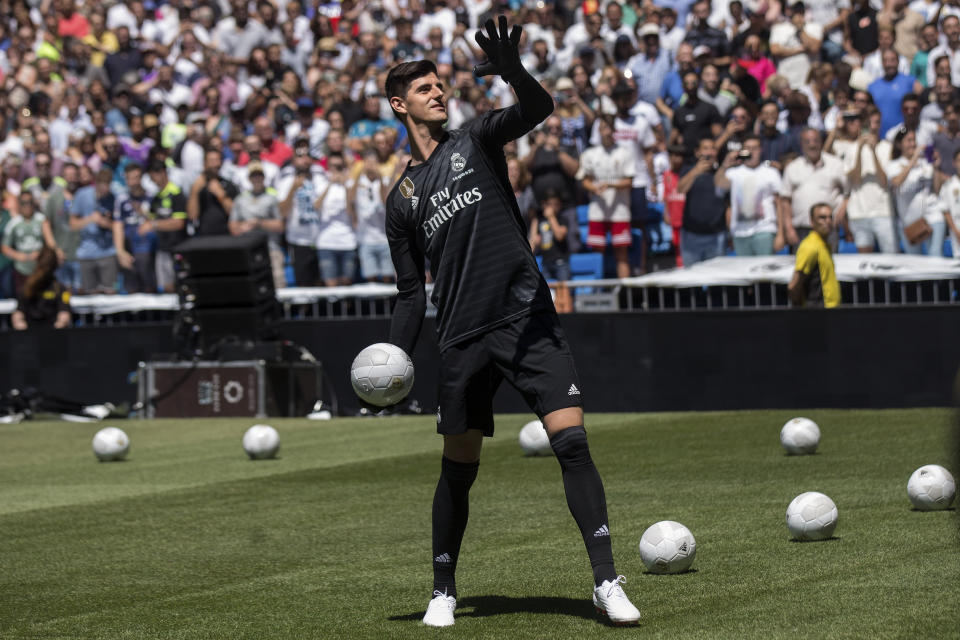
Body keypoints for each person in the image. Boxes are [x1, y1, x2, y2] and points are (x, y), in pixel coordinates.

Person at [383, 17, 640, 629]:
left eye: (440, 84)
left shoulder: (476, 138)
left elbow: (539, 105)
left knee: (572, 444)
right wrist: (395, 362)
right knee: (459, 471)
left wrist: (513, 69)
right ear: (400, 105)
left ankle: (607, 581)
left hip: (527, 320)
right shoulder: (402, 199)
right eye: (424, 89)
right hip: (461, 338)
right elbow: (410, 294)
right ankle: (443, 588)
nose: (438, 93)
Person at [579, 114, 635, 278]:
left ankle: (625, 297)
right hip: (598, 210)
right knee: (598, 253)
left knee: (621, 253)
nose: (607, 132)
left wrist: (610, 185)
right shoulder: (590, 154)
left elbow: (629, 181)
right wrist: (594, 189)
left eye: (610, 128)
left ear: (615, 131)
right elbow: (585, 180)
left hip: (620, 210)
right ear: (599, 130)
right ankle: (599, 293)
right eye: (604, 128)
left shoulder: (624, 152)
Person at [714, 134, 783, 255]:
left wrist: (781, 234)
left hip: (765, 230)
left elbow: (779, 205)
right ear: (742, 151)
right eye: (748, 148)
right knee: (743, 273)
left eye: (755, 148)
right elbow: (719, 186)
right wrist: (725, 164)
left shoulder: (771, 173)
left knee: (764, 273)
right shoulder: (733, 173)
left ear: (761, 150)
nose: (751, 152)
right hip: (740, 233)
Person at [779, 128, 847, 250]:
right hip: (800, 230)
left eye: (815, 140)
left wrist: (842, 209)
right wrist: (788, 228)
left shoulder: (836, 164)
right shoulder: (793, 167)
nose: (812, 145)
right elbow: (785, 200)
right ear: (801, 145)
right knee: (803, 268)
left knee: (828, 267)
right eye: (807, 141)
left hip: (828, 229)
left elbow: (849, 192)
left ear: (821, 142)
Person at [230, 162, 287, 290]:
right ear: (249, 179)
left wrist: (259, 223)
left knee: (277, 283)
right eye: (254, 176)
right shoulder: (240, 199)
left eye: (259, 176)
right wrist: (244, 226)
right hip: (248, 249)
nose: (257, 179)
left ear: (264, 177)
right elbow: (233, 227)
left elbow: (280, 225)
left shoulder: (272, 197)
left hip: (271, 249)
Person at [677, 137, 728, 266]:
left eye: (713, 149)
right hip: (691, 235)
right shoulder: (689, 169)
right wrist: (696, 171)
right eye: (706, 148)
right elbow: (680, 189)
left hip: (716, 235)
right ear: (697, 152)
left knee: (716, 281)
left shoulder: (721, 173)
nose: (710, 152)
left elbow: (728, 203)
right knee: (691, 280)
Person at [347, 148, 394, 283]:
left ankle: (388, 304)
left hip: (384, 239)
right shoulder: (357, 182)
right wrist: (357, 175)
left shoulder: (384, 180)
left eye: (373, 162)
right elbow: (350, 201)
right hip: (365, 239)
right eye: (367, 162)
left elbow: (386, 202)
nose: (370, 165)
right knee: (370, 279)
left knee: (387, 278)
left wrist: (379, 179)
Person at [69, 169, 117, 294]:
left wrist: (107, 224)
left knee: (110, 292)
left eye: (107, 185)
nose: (104, 189)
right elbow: (73, 225)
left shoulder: (113, 197)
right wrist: (90, 219)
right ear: (95, 183)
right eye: (101, 185)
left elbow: (119, 227)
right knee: (89, 293)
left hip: (108, 252)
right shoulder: (82, 194)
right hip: (86, 253)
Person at [113, 163, 157, 293]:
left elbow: (158, 222)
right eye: (129, 178)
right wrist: (120, 251)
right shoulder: (122, 199)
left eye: (136, 177)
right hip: (129, 247)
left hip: (148, 248)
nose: (133, 182)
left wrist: (143, 214)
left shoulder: (152, 197)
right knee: (131, 287)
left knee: (149, 287)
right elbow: (117, 225)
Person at [2, 193, 56, 297]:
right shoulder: (14, 223)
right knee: (22, 298)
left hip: (39, 269)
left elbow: (50, 242)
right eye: (24, 203)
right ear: (19, 205)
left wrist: (41, 254)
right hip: (21, 269)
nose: (27, 206)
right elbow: (5, 247)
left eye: (30, 202)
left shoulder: (42, 220)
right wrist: (20, 256)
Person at [314, 157, 357, 287]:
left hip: (347, 241)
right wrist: (329, 184)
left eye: (339, 167)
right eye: (332, 167)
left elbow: (351, 211)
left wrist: (345, 186)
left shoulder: (350, 185)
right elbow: (316, 206)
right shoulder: (321, 184)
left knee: (346, 283)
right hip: (326, 242)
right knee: (330, 283)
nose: (335, 170)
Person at [146, 160, 188, 293]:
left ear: (163, 173)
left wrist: (153, 224)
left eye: (154, 176)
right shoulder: (156, 198)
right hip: (162, 248)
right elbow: (150, 219)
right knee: (166, 287)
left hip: (176, 249)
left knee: (180, 286)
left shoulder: (176, 194)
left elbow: (179, 223)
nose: (153, 181)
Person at [788, 202, 841, 308]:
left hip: (829, 312)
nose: (828, 221)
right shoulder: (810, 246)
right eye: (822, 218)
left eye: (830, 217)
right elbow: (794, 286)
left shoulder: (824, 245)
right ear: (812, 222)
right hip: (817, 313)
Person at [11, 245, 71, 330]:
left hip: (51, 334)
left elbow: (64, 316)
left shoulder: (59, 289)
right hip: (34, 335)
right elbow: (18, 315)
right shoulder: (27, 287)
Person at [939, 149, 960, 258]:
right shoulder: (948, 185)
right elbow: (945, 210)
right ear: (954, 163)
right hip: (957, 233)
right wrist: (956, 231)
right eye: (959, 161)